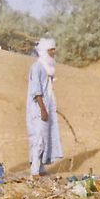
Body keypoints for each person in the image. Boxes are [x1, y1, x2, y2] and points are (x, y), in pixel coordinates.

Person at [26, 38, 63, 178]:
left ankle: (41, 169)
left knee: (45, 138)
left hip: (46, 109)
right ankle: (34, 171)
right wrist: (42, 109)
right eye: (50, 50)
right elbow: (36, 92)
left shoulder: (48, 68)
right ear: (43, 51)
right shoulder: (37, 67)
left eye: (54, 49)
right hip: (38, 110)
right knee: (38, 140)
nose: (53, 52)